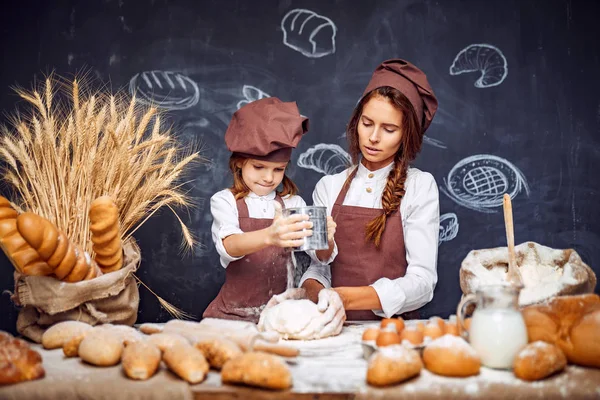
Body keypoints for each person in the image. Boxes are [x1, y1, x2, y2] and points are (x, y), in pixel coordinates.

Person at [265, 59, 440, 335]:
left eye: (389, 129)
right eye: (367, 123)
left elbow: (422, 282)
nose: (373, 137)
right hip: (332, 329)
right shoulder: (328, 187)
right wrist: (312, 294)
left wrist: (345, 298)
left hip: (394, 333)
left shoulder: (420, 187)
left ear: (407, 135)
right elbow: (319, 267)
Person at [203, 97, 314, 323]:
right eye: (259, 167)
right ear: (240, 163)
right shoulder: (225, 201)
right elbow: (229, 246)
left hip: (283, 315)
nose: (268, 177)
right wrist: (269, 236)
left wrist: (326, 238)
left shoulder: (294, 204)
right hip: (234, 315)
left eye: (278, 170)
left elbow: (316, 254)